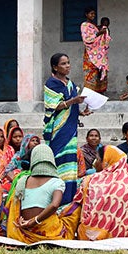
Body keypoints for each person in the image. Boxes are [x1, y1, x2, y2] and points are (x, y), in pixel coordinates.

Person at [6, 144, 80, 243]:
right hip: (47, 232)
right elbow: (54, 205)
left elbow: (15, 207)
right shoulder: (56, 182)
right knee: (75, 208)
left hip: (23, 230)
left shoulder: (23, 180)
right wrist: (34, 221)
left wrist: (25, 221)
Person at [42, 52, 88, 204]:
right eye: (63, 63)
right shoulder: (51, 84)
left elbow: (69, 108)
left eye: (68, 62)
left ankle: (69, 198)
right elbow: (53, 107)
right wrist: (73, 101)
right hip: (58, 130)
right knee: (60, 161)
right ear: (55, 67)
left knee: (70, 163)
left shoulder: (70, 83)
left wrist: (81, 111)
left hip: (71, 128)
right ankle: (57, 199)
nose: (67, 66)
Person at [77, 145, 128, 240]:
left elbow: (77, 203)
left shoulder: (91, 180)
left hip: (90, 233)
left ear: (105, 162)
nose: (95, 163)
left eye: (97, 159)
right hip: (125, 234)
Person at [80, 7, 110, 93]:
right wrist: (99, 33)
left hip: (99, 54)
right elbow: (87, 39)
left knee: (100, 71)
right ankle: (90, 94)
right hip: (90, 54)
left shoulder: (94, 26)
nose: (93, 15)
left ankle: (100, 93)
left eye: (94, 14)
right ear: (86, 14)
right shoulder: (84, 25)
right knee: (91, 72)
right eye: (91, 13)